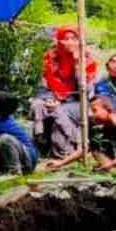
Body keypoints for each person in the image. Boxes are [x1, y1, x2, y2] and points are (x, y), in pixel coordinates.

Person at [31, 26, 98, 157]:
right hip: (53, 97)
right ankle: (41, 140)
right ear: (59, 40)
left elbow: (86, 90)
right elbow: (42, 85)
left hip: (78, 102)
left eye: (73, 38)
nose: (69, 42)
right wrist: (49, 98)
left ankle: (77, 145)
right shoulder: (50, 58)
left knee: (59, 111)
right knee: (37, 105)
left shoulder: (88, 60)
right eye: (65, 39)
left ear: (79, 41)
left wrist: (78, 63)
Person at [46, 96, 116, 173]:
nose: (91, 114)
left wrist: (110, 164)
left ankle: (113, 170)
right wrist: (60, 163)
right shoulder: (97, 127)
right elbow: (84, 150)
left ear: (109, 110)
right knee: (95, 149)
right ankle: (112, 170)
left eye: (95, 110)